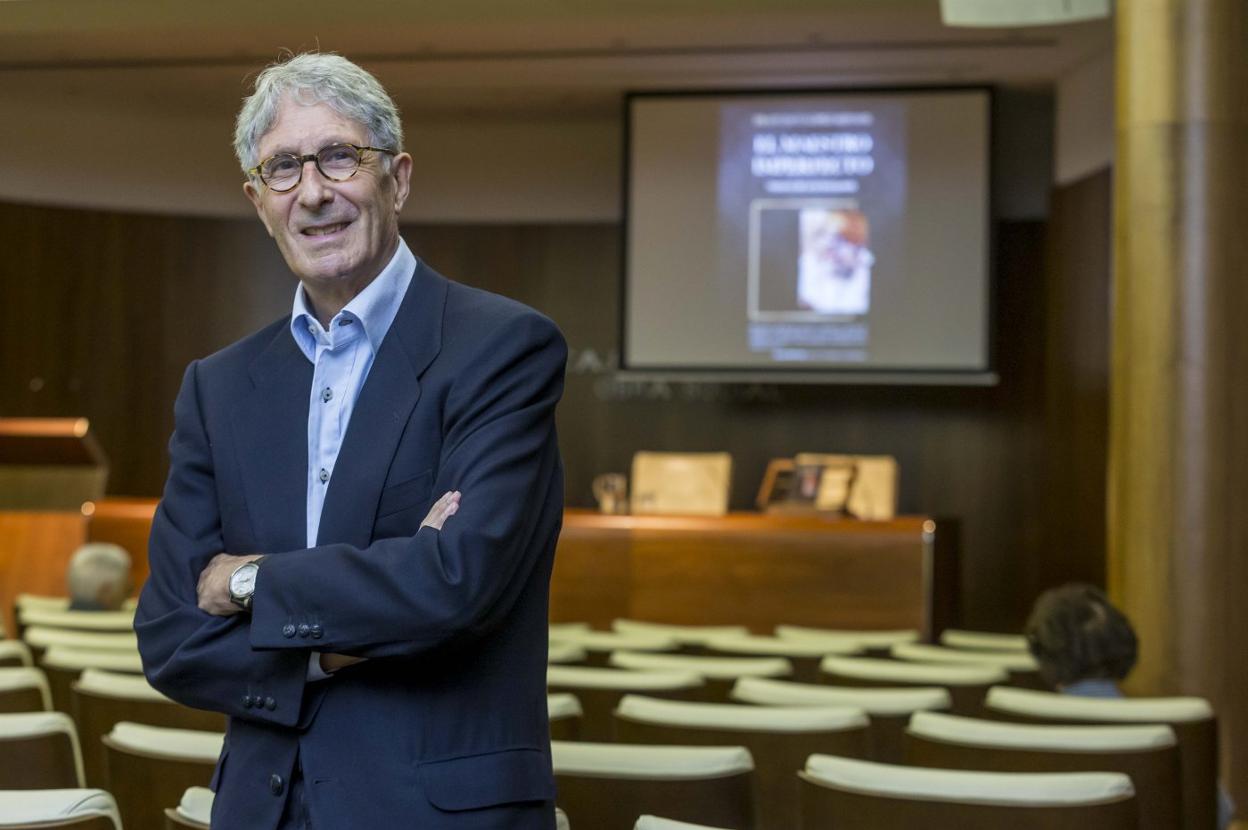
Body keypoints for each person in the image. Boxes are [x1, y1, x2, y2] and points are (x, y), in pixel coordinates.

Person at [135, 52, 567, 830]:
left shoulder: (504, 348)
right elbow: (170, 637)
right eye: (283, 168)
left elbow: (455, 583)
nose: (314, 192)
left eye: (340, 157)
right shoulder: (218, 385)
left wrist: (246, 587)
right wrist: (335, 646)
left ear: (397, 179)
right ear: (258, 201)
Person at [1025, 584, 1235, 827]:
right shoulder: (1169, 731)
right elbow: (1220, 815)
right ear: (1123, 641)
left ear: (1041, 652)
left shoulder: (1018, 732)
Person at [66, 542, 132, 611]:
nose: (128, 598)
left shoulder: (56, 617)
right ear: (106, 592)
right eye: (127, 591)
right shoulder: (131, 620)